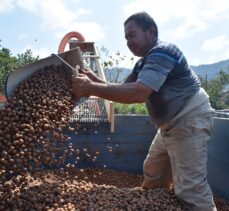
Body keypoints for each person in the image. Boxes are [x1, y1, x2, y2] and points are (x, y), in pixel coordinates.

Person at [72, 11, 217, 211]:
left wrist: (90, 88)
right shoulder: (143, 63)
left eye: (132, 35)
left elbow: (139, 93)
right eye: (125, 38)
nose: (128, 42)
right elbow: (121, 88)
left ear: (151, 32)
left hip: (188, 120)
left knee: (190, 189)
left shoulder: (162, 52)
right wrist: (92, 78)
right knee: (153, 174)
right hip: (168, 127)